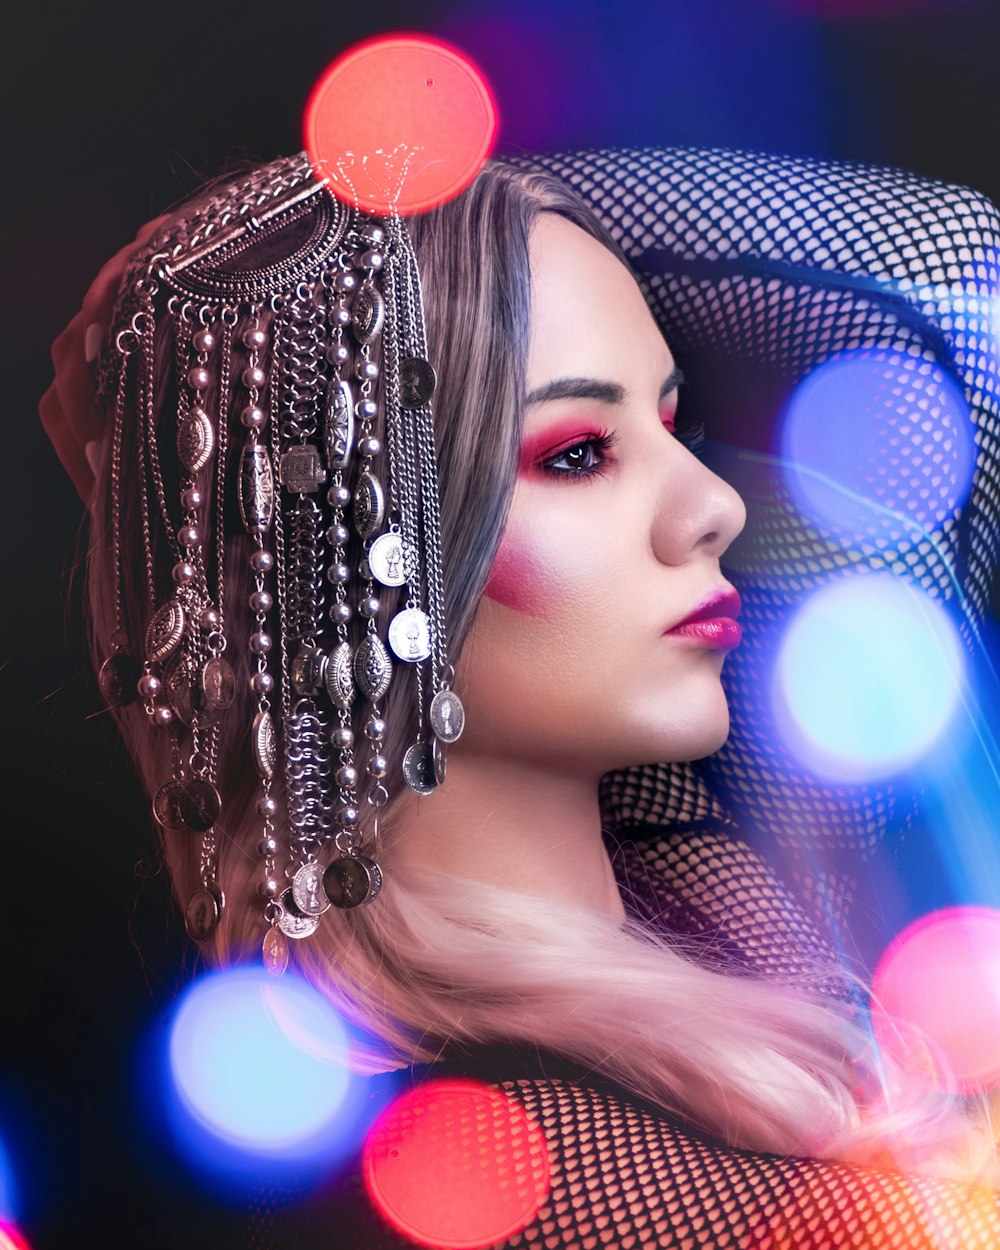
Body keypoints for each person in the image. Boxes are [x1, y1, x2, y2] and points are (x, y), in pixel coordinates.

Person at [41, 150, 1000, 1246]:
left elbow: (952, 289)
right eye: (580, 452)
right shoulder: (522, 1162)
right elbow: (942, 276)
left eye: (672, 425)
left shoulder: (672, 850)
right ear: (345, 552)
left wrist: (214, 324)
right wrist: (215, 313)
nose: (716, 502)